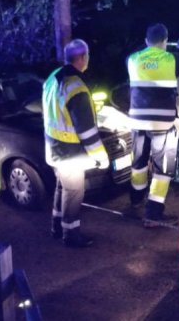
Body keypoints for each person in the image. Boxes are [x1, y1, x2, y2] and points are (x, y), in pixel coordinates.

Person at [42, 39, 109, 248]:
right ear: (82, 58)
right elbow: (87, 131)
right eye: (87, 56)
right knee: (74, 193)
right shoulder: (76, 87)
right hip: (71, 153)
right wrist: (101, 157)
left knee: (62, 189)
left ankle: (56, 227)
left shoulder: (53, 78)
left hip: (53, 147)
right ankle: (70, 235)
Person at [126, 23, 179, 228]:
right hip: (162, 123)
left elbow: (138, 52)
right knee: (163, 169)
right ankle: (153, 213)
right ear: (164, 41)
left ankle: (135, 200)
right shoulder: (171, 59)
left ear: (146, 41)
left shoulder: (133, 59)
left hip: (137, 122)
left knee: (139, 164)